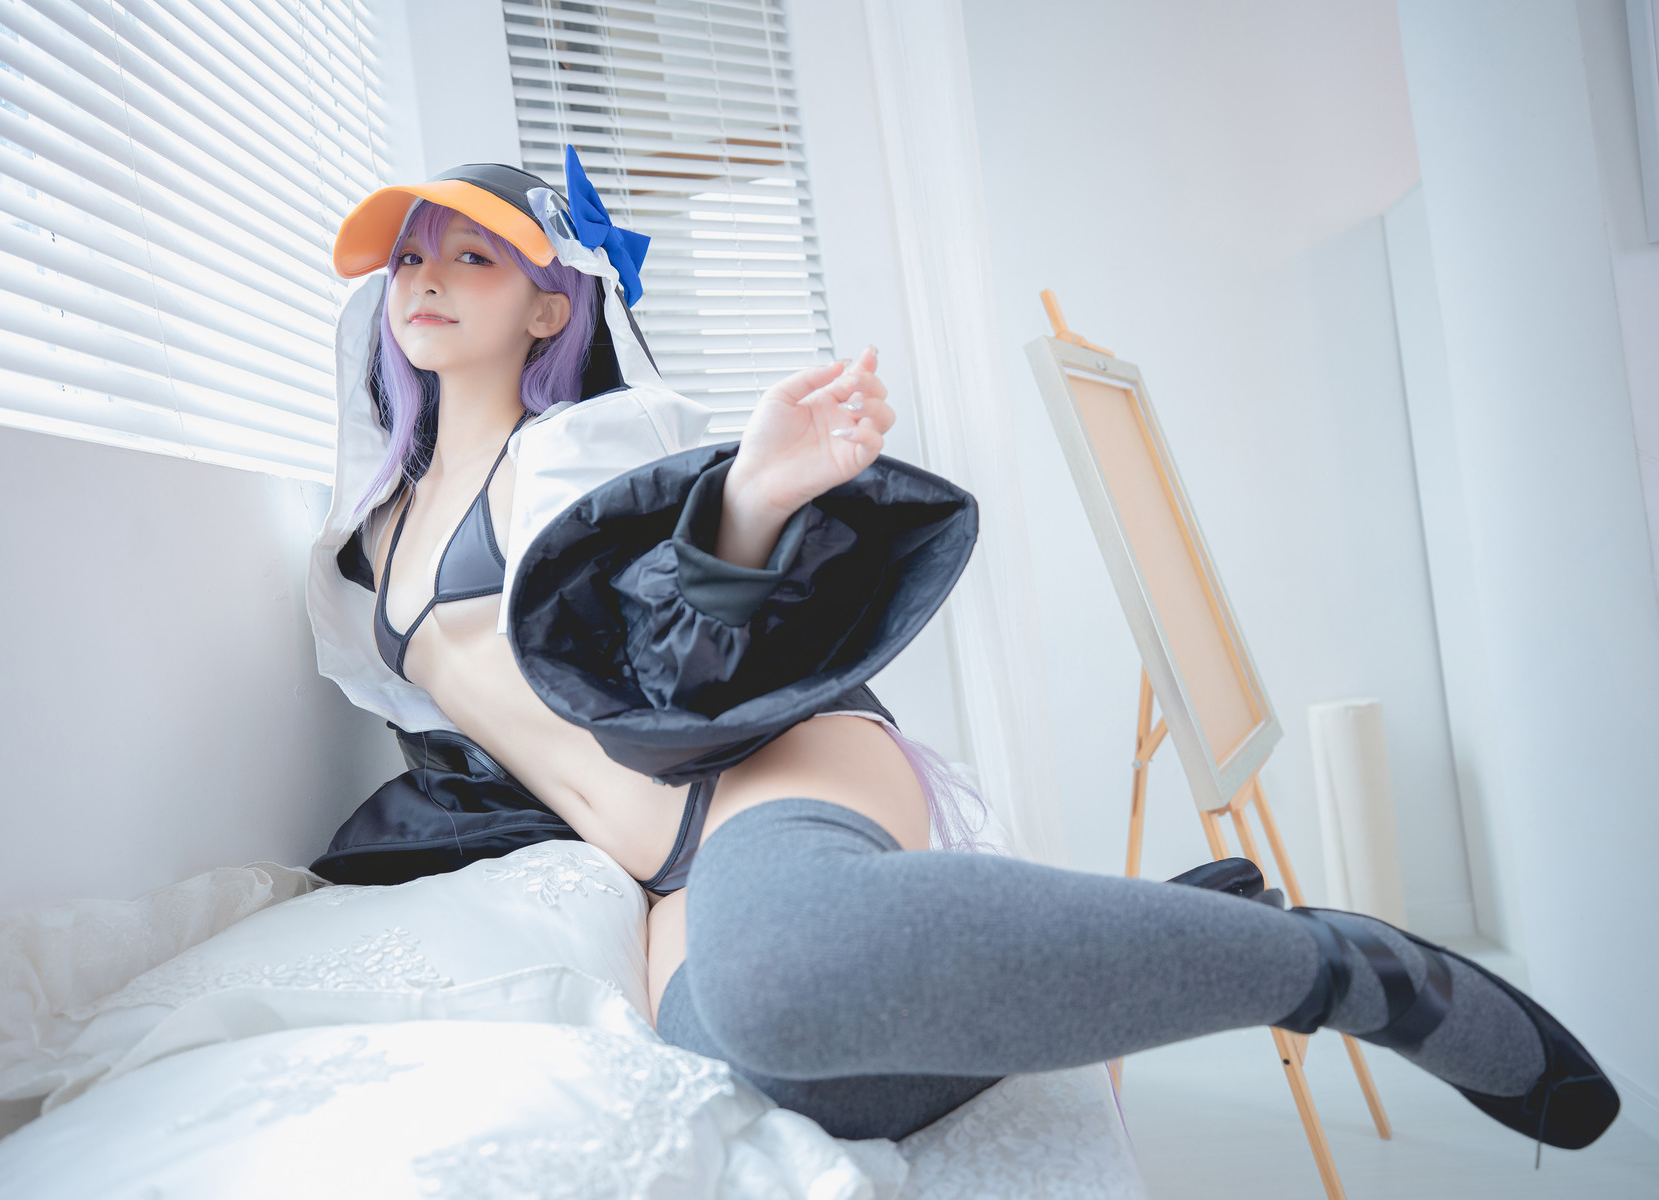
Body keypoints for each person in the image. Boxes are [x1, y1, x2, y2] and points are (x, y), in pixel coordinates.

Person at [305, 151, 1619, 1149]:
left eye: (473, 257)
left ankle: (1343, 968)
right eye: (411, 258)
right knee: (767, 1067)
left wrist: (749, 498)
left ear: (550, 311)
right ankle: (1184, 926)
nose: (427, 278)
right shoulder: (364, 537)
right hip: (654, 865)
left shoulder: (574, 454)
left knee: (780, 985)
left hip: (760, 770)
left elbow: (670, 649)